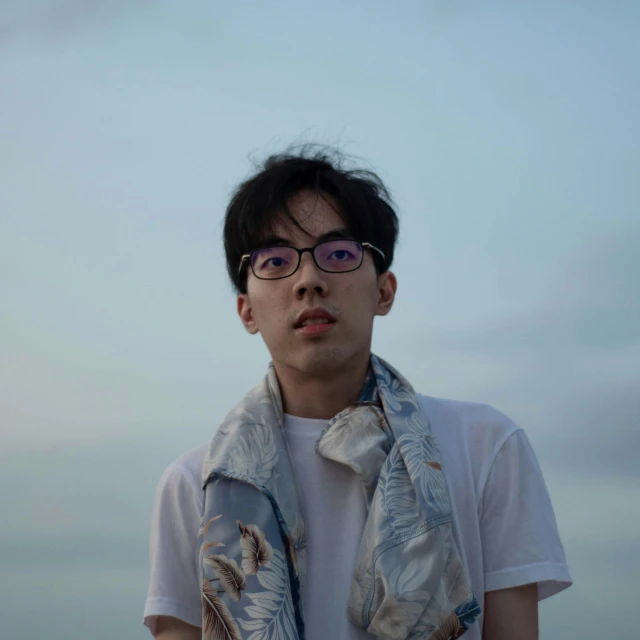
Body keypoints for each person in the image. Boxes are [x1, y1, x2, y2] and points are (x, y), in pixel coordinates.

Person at [143, 147, 572, 640]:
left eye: (339, 253)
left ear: (384, 290)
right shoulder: (192, 486)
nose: (309, 281)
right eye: (276, 259)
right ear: (246, 310)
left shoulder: (487, 448)